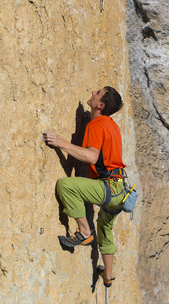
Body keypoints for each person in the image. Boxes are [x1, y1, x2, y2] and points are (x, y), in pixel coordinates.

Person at [43, 86, 126, 288]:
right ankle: (108, 276)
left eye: (97, 93)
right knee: (105, 229)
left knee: (66, 185)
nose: (92, 93)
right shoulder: (110, 124)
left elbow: (91, 156)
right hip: (120, 190)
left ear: (100, 105)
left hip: (108, 188)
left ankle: (84, 232)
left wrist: (60, 143)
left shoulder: (97, 125)